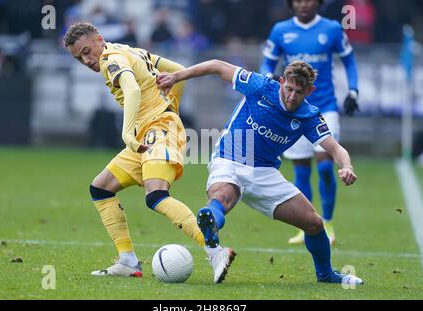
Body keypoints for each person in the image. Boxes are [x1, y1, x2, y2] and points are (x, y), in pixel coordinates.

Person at [156, 59, 364, 285]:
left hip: (265, 172)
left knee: (314, 223)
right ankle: (210, 222)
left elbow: (335, 148)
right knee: (222, 197)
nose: (292, 96)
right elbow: (217, 66)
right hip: (231, 156)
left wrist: (347, 166)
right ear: (282, 81)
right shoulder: (260, 86)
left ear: (310, 91)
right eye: (289, 88)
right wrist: (177, 77)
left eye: (299, 92)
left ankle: (326, 275)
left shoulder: (309, 116)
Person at [63, 22, 233, 283]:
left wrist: (128, 132)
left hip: (156, 129)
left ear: (99, 38)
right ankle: (127, 261)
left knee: (155, 195)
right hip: (150, 131)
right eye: (79, 57)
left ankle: (215, 251)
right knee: (100, 188)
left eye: (87, 51)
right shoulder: (129, 50)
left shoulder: (111, 58)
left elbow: (131, 89)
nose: (86, 60)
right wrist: (171, 105)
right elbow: (177, 71)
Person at [260, 0, 359, 245]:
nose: (304, 4)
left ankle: (328, 223)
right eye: (299, 0)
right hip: (294, 111)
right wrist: (269, 80)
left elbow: (349, 60)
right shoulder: (280, 30)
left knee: (326, 166)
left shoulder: (333, 29)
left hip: (325, 107)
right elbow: (267, 64)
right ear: (292, 3)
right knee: (301, 170)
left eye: (310, 0)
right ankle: (307, 226)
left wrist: (353, 91)